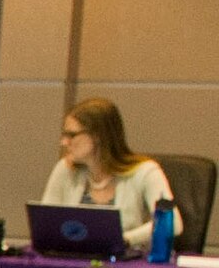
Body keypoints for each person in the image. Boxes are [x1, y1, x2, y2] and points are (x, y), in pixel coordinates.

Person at [41, 96, 177, 254]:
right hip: (73, 260)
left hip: (128, 264)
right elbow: (46, 226)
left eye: (72, 135)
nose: (64, 142)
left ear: (98, 135)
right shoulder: (65, 169)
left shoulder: (146, 172)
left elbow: (173, 224)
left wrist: (123, 239)